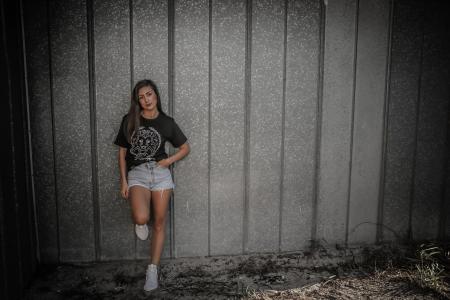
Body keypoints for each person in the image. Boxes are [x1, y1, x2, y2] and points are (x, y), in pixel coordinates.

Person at [113, 79, 190, 292]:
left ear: (156, 95)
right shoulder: (129, 120)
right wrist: (124, 180)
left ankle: (152, 270)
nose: (146, 99)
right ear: (137, 100)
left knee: (159, 223)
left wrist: (168, 161)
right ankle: (140, 223)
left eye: (149, 94)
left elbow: (185, 148)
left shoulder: (167, 122)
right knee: (142, 217)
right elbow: (121, 152)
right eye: (141, 97)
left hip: (161, 175)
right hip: (137, 173)